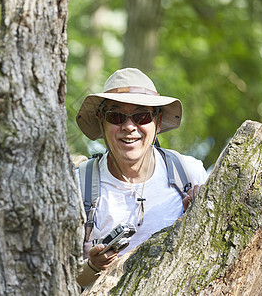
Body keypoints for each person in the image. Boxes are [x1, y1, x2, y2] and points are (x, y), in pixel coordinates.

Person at [75, 68, 208, 287]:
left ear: (158, 121)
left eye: (141, 116)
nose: (129, 127)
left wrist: (201, 213)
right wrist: (93, 266)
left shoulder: (188, 172)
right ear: (102, 121)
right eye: (116, 116)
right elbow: (62, 276)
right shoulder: (79, 184)